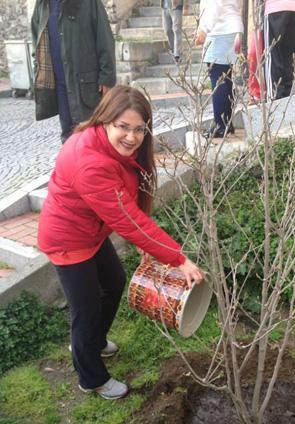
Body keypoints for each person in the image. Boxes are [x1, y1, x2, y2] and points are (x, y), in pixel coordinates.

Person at [38, 86, 204, 400]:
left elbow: (129, 200)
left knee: (114, 281)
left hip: (91, 231)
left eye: (139, 129)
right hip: (68, 239)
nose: (132, 137)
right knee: (84, 311)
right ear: (106, 121)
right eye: (123, 127)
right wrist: (178, 259)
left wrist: (148, 244)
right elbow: (127, 219)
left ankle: (94, 340)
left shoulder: (113, 149)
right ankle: (92, 377)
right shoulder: (90, 163)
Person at [31, 0, 116, 143]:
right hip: (59, 85)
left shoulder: (89, 3)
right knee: (68, 135)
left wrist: (106, 77)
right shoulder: (42, 4)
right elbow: (36, 40)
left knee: (93, 135)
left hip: (87, 84)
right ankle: (72, 164)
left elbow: (105, 38)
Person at [196, 0, 243, 138]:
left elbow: (214, 4)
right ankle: (227, 123)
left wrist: (204, 29)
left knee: (218, 79)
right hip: (234, 27)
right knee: (226, 79)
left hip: (221, 30)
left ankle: (220, 126)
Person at [263, 0, 295, 99]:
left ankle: (273, 101)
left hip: (275, 8)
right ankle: (287, 98)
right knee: (289, 57)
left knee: (273, 56)